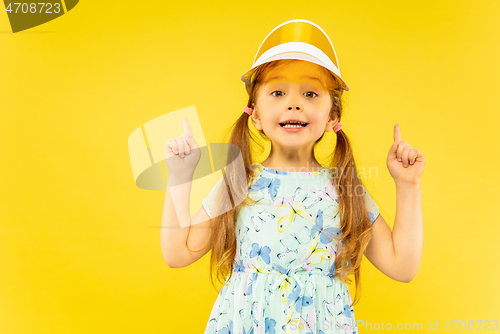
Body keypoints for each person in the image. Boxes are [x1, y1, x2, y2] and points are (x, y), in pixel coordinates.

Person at [161, 19, 425, 334]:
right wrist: (179, 174)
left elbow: (403, 266)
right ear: (255, 114)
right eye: (277, 92)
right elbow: (177, 253)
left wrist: (408, 186)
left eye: (311, 93)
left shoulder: (344, 189)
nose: (294, 103)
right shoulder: (238, 182)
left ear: (332, 117)